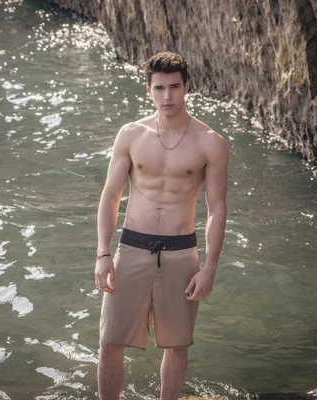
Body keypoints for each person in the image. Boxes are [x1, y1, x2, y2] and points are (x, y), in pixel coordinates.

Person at [94, 51, 228, 399]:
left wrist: (210, 267)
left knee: (177, 347)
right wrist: (103, 254)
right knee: (110, 343)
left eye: (174, 87)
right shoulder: (131, 135)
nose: (167, 96)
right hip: (132, 247)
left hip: (181, 254)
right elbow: (110, 196)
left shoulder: (210, 142)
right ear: (148, 90)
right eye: (159, 88)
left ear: (187, 87)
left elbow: (216, 209)